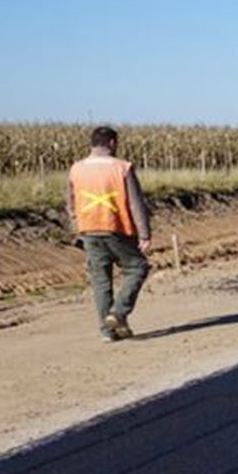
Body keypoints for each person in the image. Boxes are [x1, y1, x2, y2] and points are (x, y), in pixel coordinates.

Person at [66, 126, 152, 342]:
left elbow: (70, 202)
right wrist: (144, 234)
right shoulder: (122, 167)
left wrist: (76, 228)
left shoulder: (76, 169)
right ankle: (119, 312)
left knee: (101, 281)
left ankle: (107, 331)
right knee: (138, 267)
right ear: (112, 143)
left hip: (88, 230)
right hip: (117, 228)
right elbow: (135, 203)